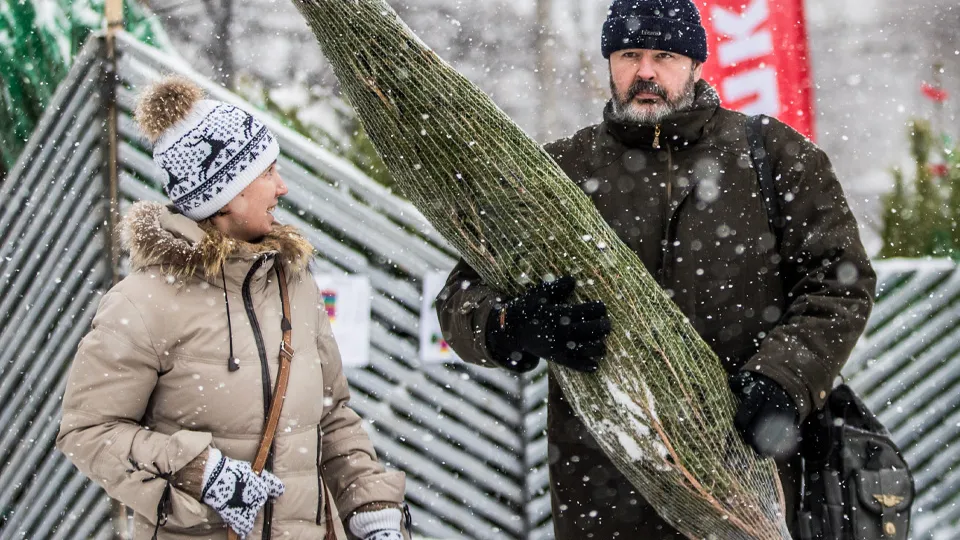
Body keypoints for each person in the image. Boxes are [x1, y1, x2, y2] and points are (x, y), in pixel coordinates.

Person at [436, 0, 876, 537]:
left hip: (747, 483)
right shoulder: (557, 173)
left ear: (695, 64)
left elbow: (839, 282)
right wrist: (514, 326)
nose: (645, 72)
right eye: (630, 54)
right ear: (609, 63)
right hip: (601, 492)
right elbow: (459, 296)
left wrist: (781, 381)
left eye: (664, 55)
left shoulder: (772, 155)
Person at [57, 76, 410, 540]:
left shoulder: (293, 282)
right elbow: (88, 432)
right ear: (226, 194)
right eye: (267, 172)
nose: (281, 187)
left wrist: (371, 507)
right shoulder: (142, 303)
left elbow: (331, 413)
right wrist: (202, 473)